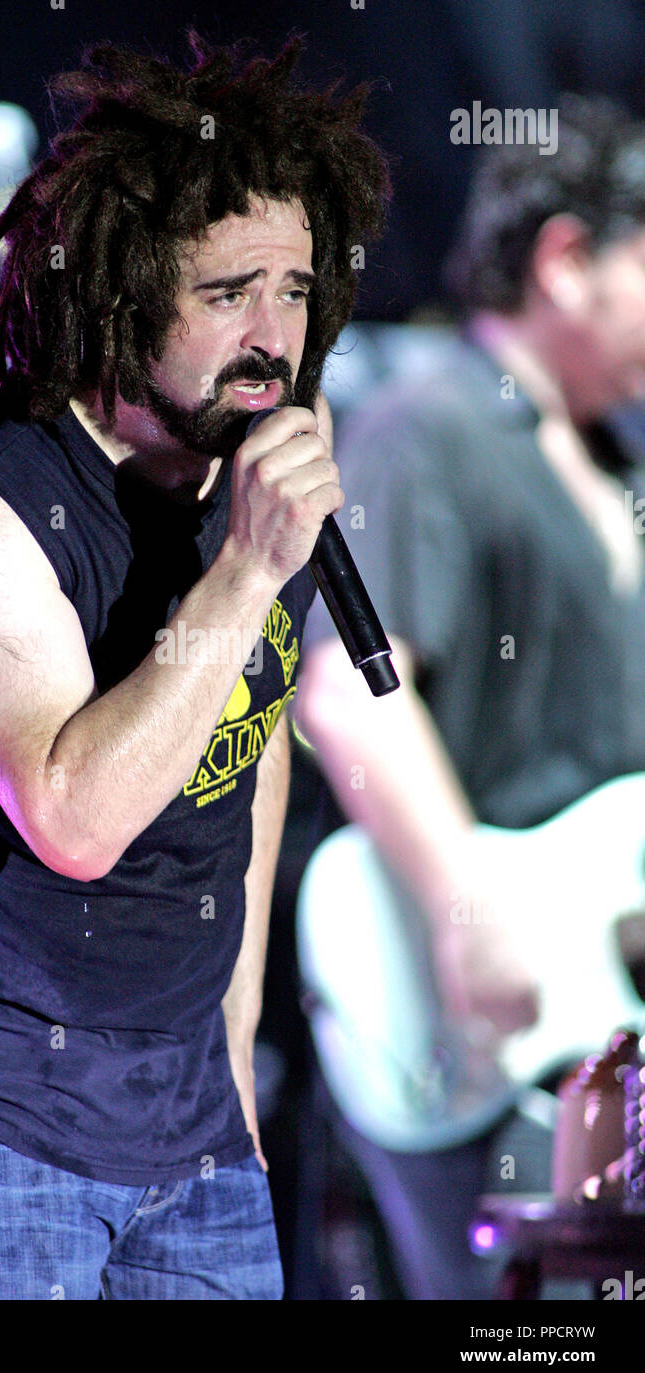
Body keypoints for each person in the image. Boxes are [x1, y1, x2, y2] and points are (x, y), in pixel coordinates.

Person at [0, 32, 389, 1300]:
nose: (274, 335)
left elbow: (252, 754)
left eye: (296, 291)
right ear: (121, 294)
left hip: (180, 1114)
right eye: (230, 292)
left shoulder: (244, 476)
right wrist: (243, 571)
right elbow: (73, 817)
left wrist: (232, 1060)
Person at [295, 94, 645, 1299]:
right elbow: (344, 691)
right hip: (487, 1029)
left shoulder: (614, 458)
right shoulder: (429, 427)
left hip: (609, 1021)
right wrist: (464, 907)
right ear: (566, 261)